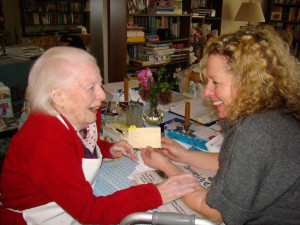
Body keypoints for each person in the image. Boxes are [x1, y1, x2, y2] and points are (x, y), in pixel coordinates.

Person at [0, 46, 201, 225]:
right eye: (91, 87)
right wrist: (157, 193)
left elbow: (79, 147)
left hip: (65, 205)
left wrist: (106, 149)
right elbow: (91, 213)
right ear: (58, 96)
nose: (102, 95)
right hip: (36, 217)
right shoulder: (46, 140)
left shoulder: (81, 114)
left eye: (100, 84)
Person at [141, 29, 300, 225]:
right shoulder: (276, 112)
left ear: (249, 84)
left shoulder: (255, 131)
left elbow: (215, 212)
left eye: (215, 82)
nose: (207, 92)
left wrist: (166, 167)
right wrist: (185, 155)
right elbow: (237, 163)